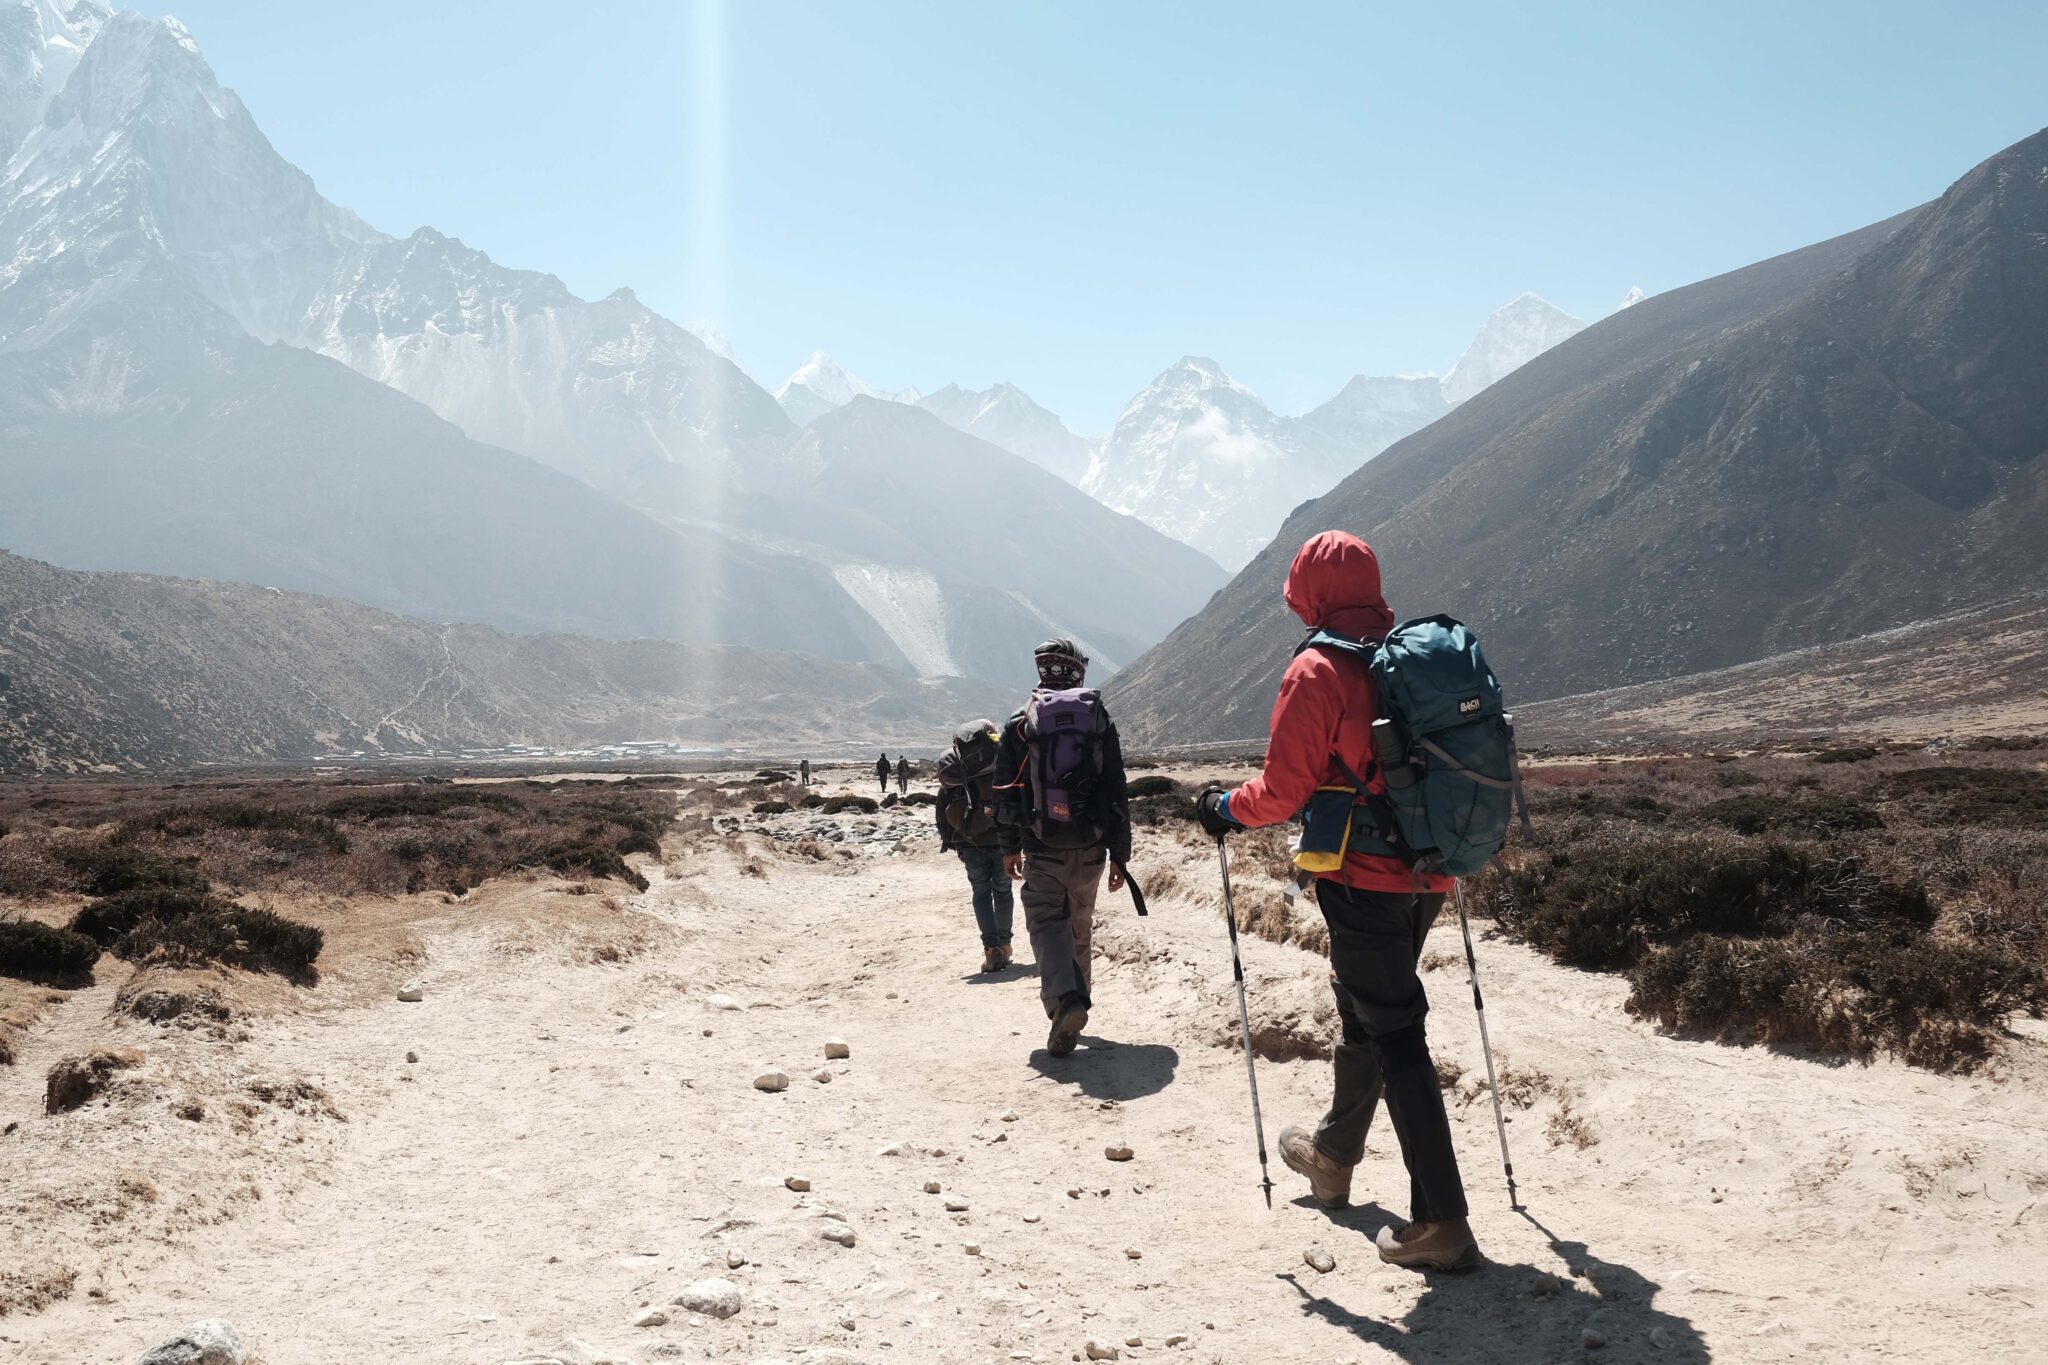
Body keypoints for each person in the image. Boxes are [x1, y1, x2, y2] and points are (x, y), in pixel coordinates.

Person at [1195, 530, 1476, 1272]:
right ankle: (1333, 1157)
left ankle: (1441, 1220)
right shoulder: (1409, 660)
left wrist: (1222, 806)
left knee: (1395, 1032)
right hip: (1430, 871)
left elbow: (1283, 790)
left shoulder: (1319, 668)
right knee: (1369, 1012)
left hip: (1360, 877)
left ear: (1311, 591)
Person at [991, 638, 1132, 1058]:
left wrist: (1009, 846)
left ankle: (1066, 1004)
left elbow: (1005, 791)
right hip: (1091, 846)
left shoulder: (1022, 722)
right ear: (1078, 671)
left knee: (1046, 923)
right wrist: (1120, 853)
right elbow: (1115, 788)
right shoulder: (1097, 719)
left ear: (1043, 671)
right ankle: (1079, 1001)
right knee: (1079, 926)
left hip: (1042, 843)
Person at [935, 719, 1014, 974]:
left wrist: (953, 843)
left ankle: (991, 951)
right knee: (1003, 892)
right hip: (1002, 839)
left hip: (970, 842)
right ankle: (1006, 943)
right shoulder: (1000, 762)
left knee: (980, 894)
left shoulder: (957, 768)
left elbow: (943, 809)